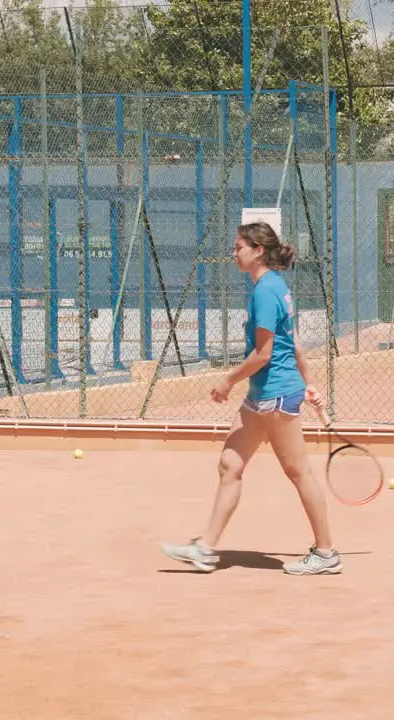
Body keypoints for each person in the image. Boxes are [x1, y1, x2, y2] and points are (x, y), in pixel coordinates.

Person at [160, 221, 341, 576]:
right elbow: (296, 343)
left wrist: (227, 382)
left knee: (299, 472)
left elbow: (264, 354)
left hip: (275, 395)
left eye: (239, 247)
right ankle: (205, 549)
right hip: (262, 396)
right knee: (230, 464)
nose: (234, 253)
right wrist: (312, 382)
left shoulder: (265, 291)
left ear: (257, 251)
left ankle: (326, 553)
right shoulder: (274, 287)